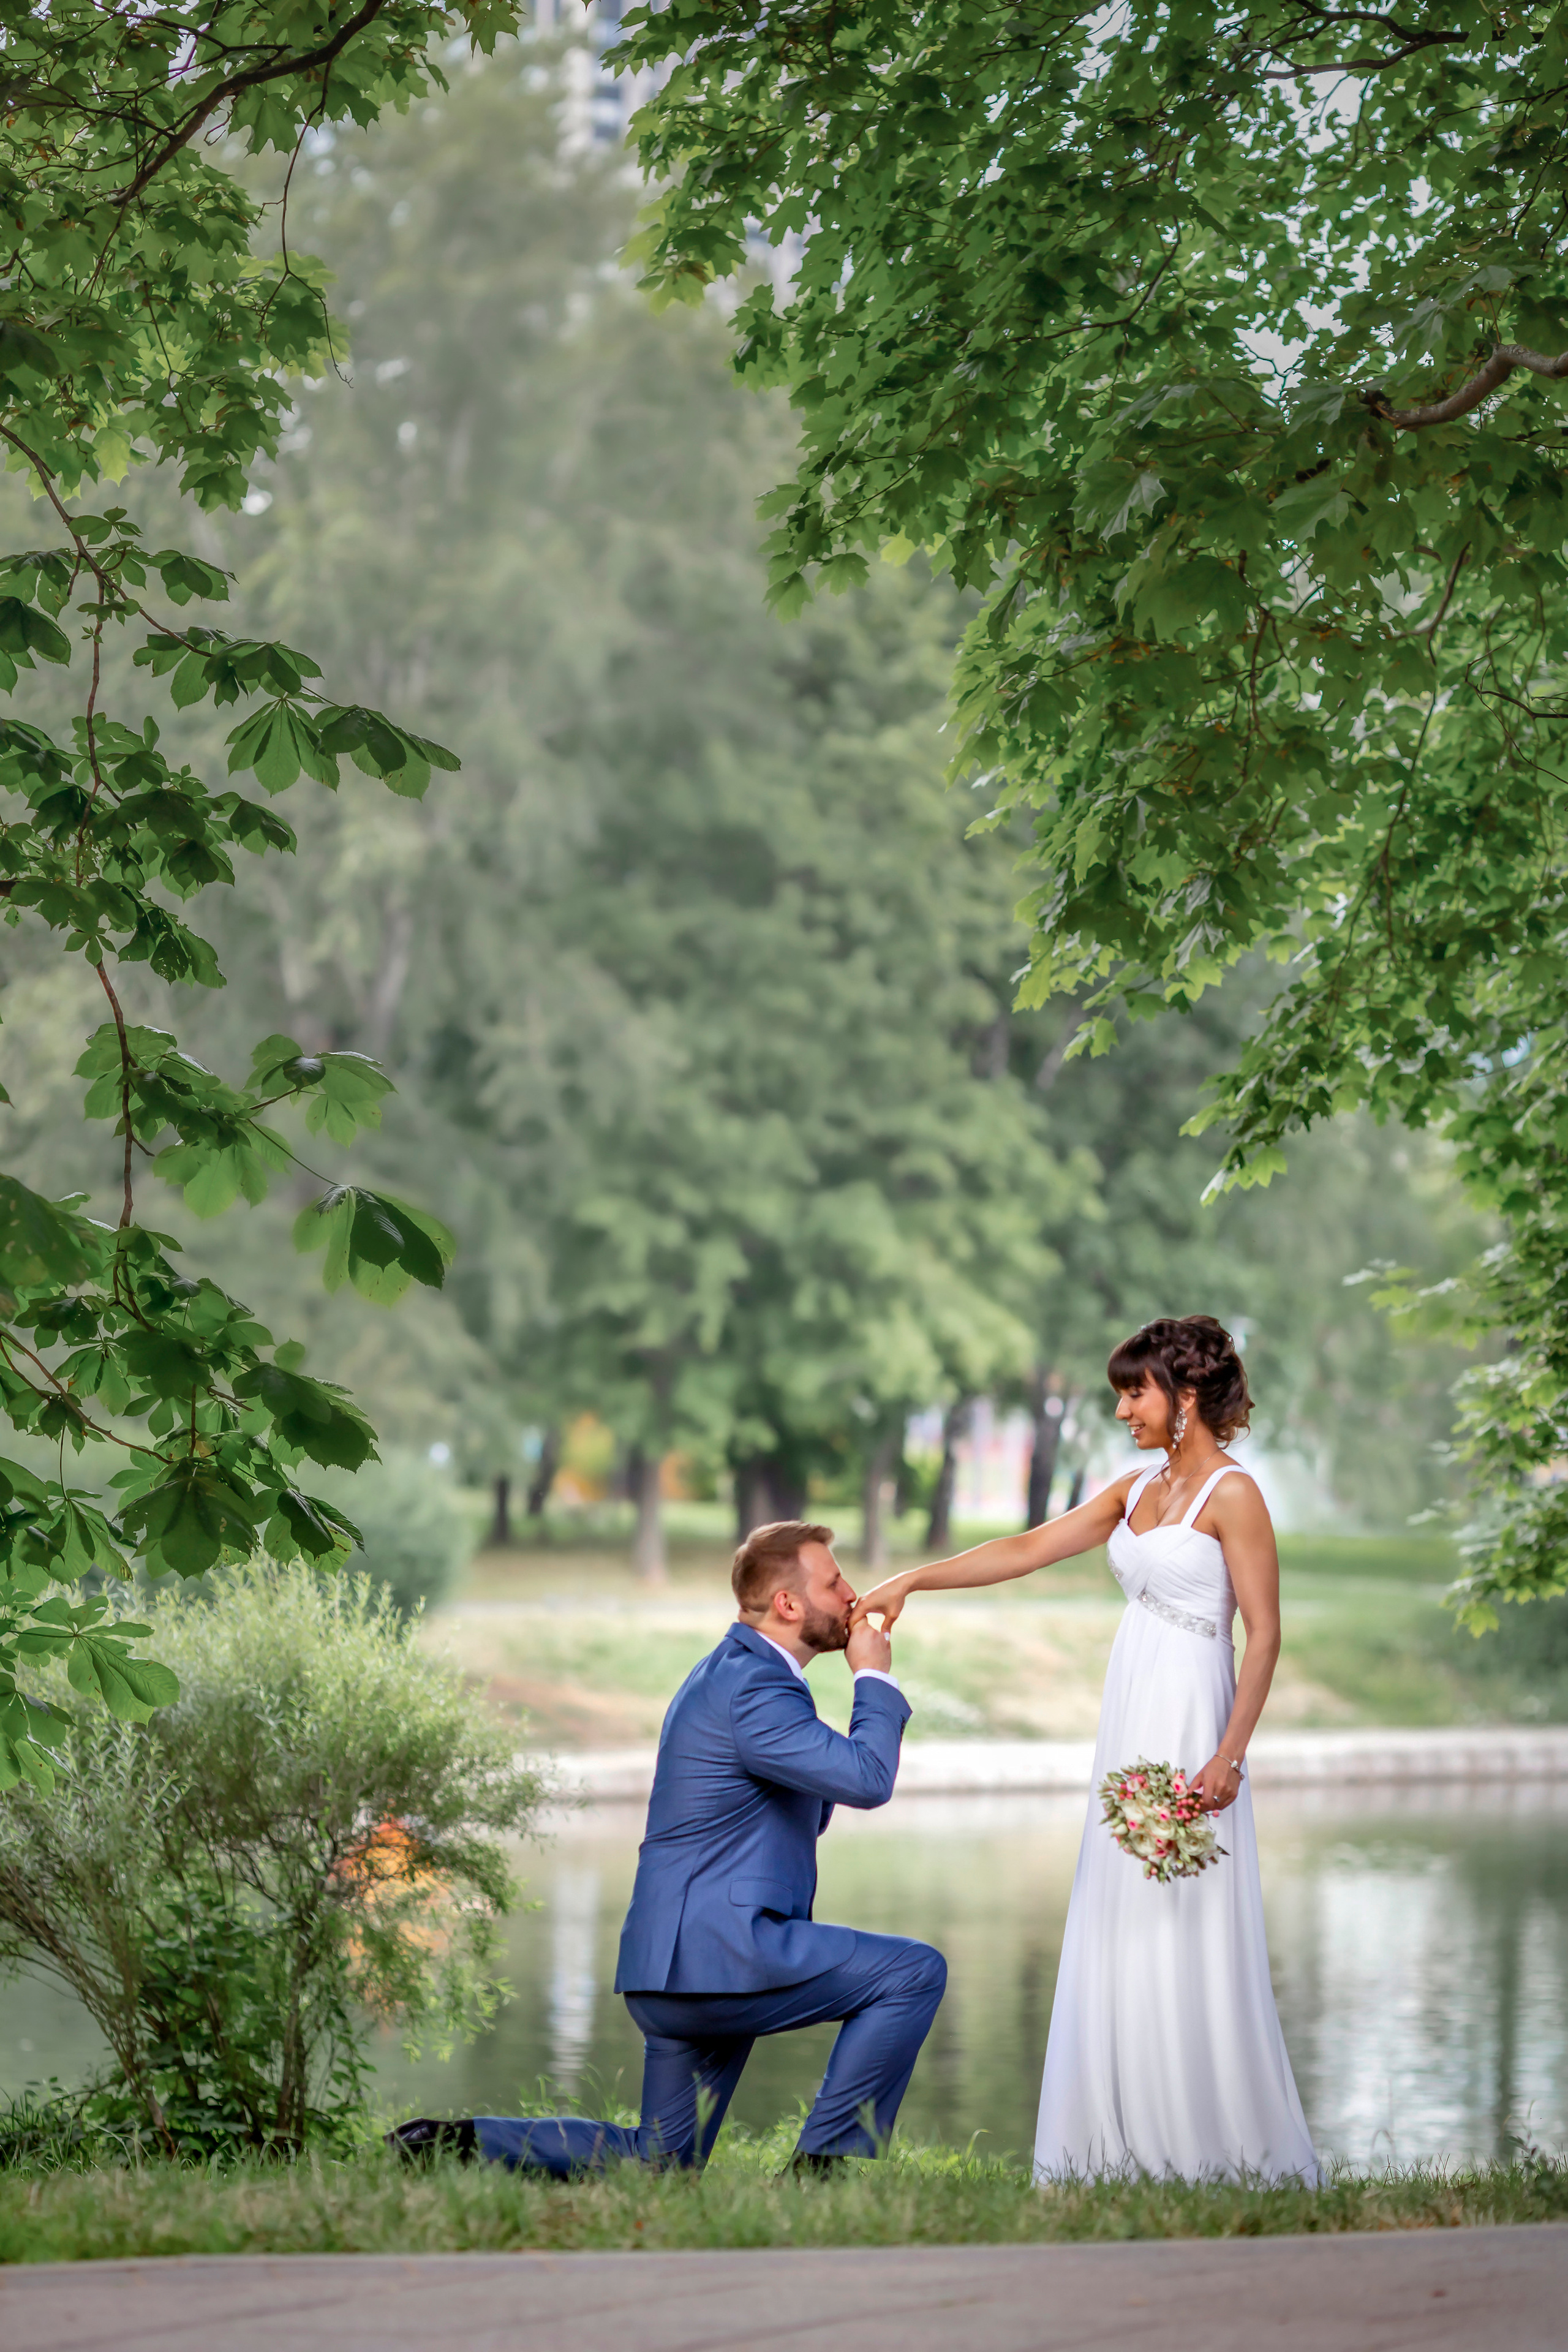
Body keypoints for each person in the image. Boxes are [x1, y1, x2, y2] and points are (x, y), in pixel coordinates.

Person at [854, 1316, 1318, 2184]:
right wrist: (913, 1577)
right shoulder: (1133, 1490)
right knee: (1120, 1912)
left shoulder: (1235, 1496)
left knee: (1185, 1909)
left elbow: (1264, 1636)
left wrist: (1230, 1755)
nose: (1121, 1411)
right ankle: (1112, 2142)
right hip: (1130, 1713)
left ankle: (1208, 2143)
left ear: (1184, 1396)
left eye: (1133, 1392)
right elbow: (1028, 1549)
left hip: (1193, 1719)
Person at [388, 1519, 946, 2174]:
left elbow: (802, 1812)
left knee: (660, 2164)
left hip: (674, 1968)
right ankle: (820, 2175)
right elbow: (867, 1780)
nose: (851, 1593)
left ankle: (451, 2144)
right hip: (722, 1958)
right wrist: (873, 1680)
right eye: (833, 1581)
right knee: (911, 1973)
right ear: (788, 1604)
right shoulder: (755, 1689)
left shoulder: (734, 1675)